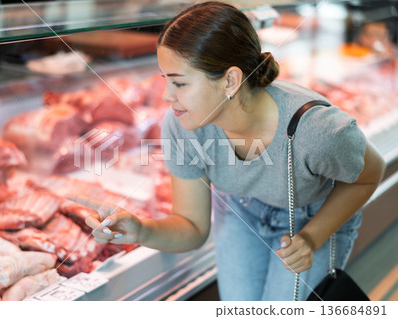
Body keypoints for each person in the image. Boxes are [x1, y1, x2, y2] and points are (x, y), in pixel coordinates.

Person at [83, 1, 385, 301]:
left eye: (180, 83)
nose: (165, 96)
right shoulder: (182, 125)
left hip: (311, 215)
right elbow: (192, 226)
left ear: (230, 80)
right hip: (241, 210)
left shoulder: (317, 129)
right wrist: (141, 231)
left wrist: (311, 237)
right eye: (165, 81)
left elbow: (369, 174)